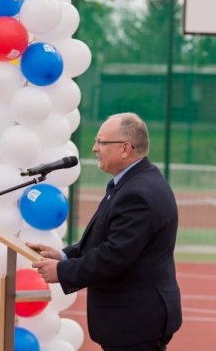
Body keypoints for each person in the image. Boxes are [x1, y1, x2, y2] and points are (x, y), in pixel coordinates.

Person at [29, 112, 182, 350]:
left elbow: (115, 256)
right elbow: (106, 240)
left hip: (136, 322)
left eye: (101, 142)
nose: (94, 148)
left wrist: (63, 270)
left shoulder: (137, 193)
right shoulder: (133, 183)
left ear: (125, 148)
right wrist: (64, 255)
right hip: (133, 319)